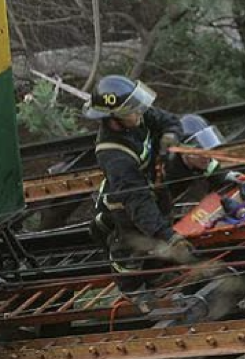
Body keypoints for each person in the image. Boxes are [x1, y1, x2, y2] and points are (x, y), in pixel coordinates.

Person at [83, 75, 199, 294]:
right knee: (132, 248)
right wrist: (168, 236)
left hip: (152, 188)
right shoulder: (113, 153)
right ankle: (132, 292)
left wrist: (170, 136)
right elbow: (138, 201)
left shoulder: (136, 116)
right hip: (125, 204)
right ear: (113, 118)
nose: (139, 113)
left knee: (161, 225)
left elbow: (169, 120)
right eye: (132, 111)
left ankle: (158, 275)